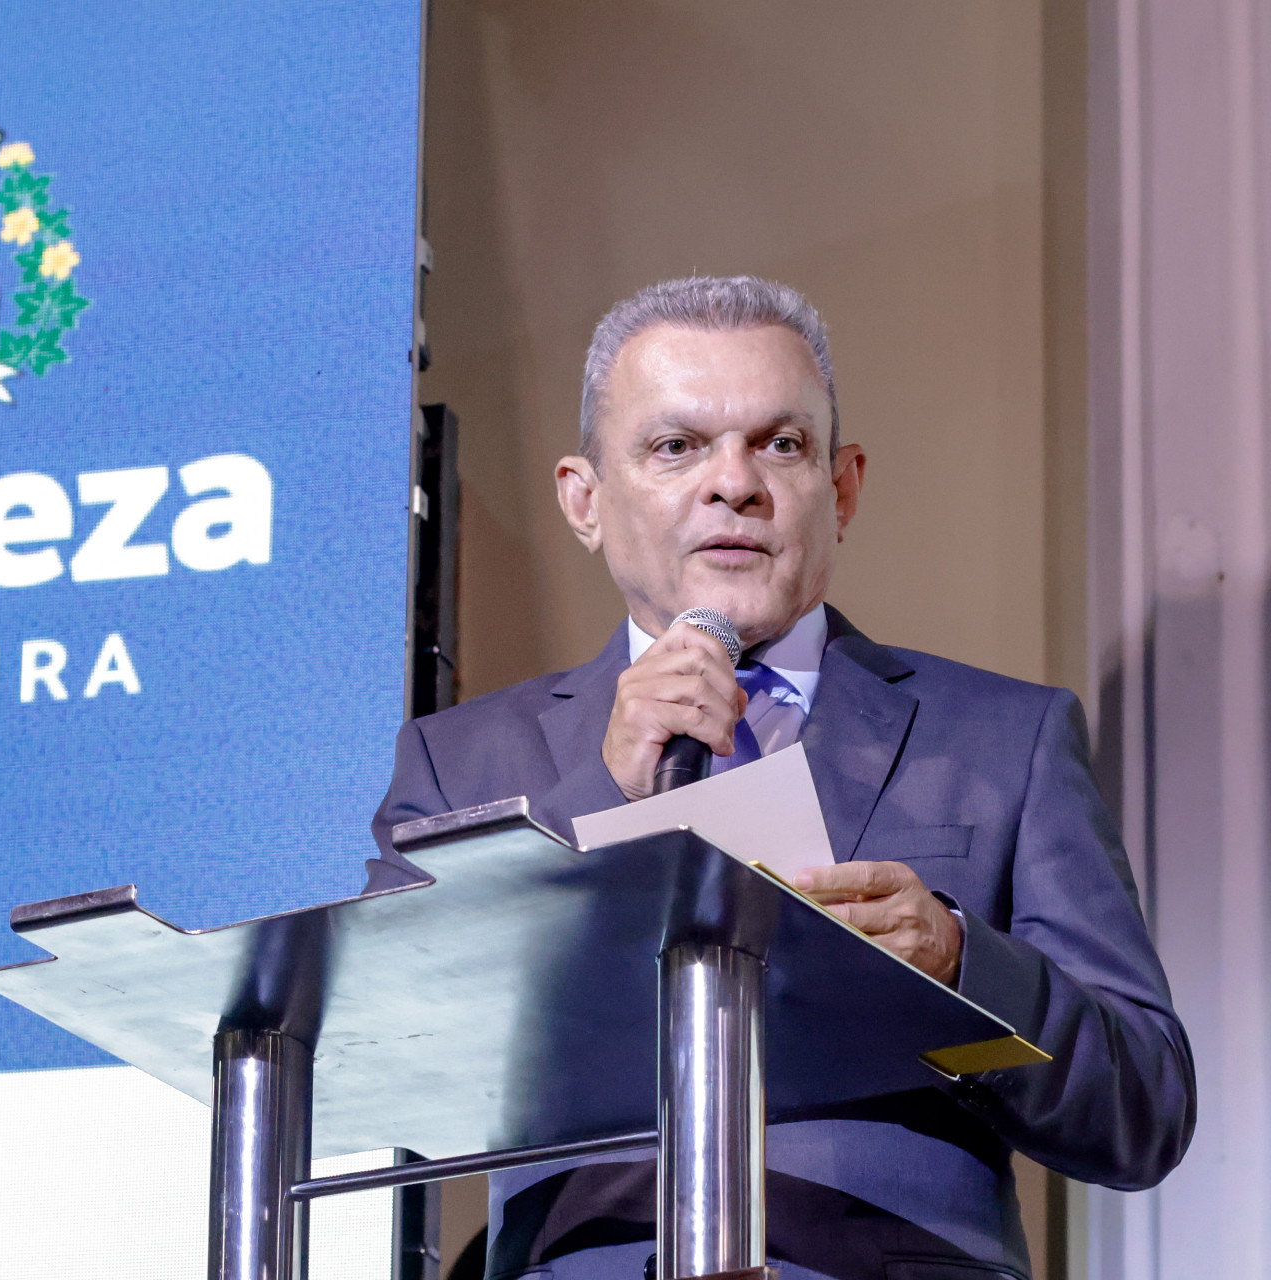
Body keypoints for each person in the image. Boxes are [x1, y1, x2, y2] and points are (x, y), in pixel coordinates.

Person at [368, 277, 1194, 1280]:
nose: (735, 484)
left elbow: (1143, 1106)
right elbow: (386, 1067)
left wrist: (964, 967)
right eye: (677, 446)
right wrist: (600, 792)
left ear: (841, 488)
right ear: (584, 499)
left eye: (781, 444)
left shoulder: (1003, 739)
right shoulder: (460, 762)